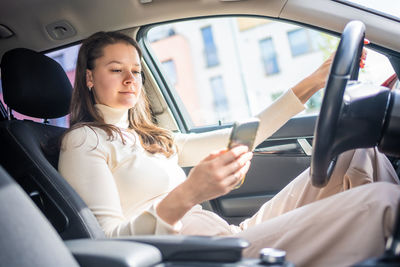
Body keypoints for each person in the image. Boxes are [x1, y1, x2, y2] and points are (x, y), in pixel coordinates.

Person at [59, 31, 400, 267]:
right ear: (89, 78)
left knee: (358, 151)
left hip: (230, 233)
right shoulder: (84, 141)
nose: (130, 80)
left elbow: (246, 134)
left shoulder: (151, 137)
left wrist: (312, 82)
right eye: (116, 70)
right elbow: (108, 243)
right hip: (206, 254)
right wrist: (190, 192)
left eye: (135, 71)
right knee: (383, 202)